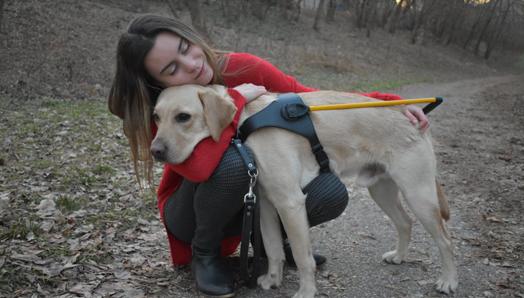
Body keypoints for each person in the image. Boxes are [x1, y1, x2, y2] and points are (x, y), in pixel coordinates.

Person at [108, 15, 429, 297]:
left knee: (330, 191)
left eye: (184, 48)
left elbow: (307, 97)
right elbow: (202, 168)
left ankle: (275, 246)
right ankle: (204, 256)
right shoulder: (163, 109)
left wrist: (388, 104)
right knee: (235, 162)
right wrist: (234, 99)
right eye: (172, 68)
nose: (191, 64)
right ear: (157, 82)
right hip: (192, 214)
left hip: (243, 200)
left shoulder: (241, 68)